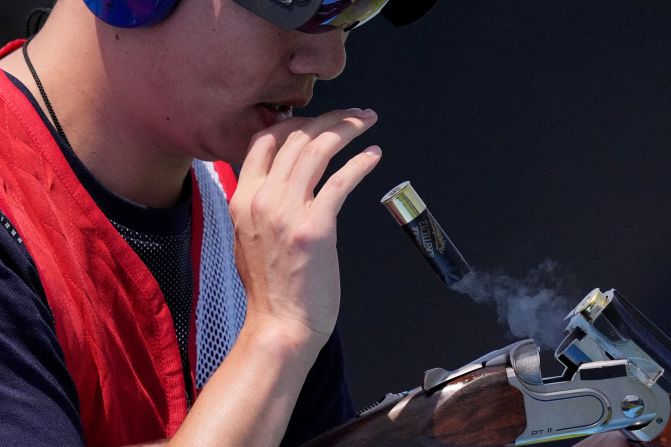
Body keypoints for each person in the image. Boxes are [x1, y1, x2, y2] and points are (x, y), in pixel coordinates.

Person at [0, 0, 438, 446]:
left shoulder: (259, 219)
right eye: (294, 3)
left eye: (352, 12)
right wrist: (275, 338)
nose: (329, 61)